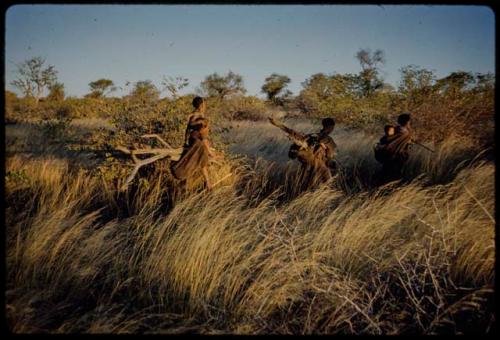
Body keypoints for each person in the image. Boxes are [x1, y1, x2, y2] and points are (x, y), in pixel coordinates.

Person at [272, 117, 337, 191]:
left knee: (303, 187)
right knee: (328, 187)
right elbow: (329, 156)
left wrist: (280, 125)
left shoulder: (312, 135)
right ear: (330, 127)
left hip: (306, 166)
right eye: (332, 128)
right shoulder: (328, 139)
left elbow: (294, 134)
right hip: (320, 166)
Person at [171, 96, 216, 190]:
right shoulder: (201, 117)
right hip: (198, 142)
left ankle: (190, 182)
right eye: (204, 104)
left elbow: (187, 130)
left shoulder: (191, 115)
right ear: (201, 105)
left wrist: (185, 141)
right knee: (202, 160)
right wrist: (210, 151)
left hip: (191, 140)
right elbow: (203, 136)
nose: (205, 105)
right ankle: (208, 184)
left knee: (194, 160)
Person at [379, 113, 413, 182]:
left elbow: (384, 139)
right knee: (394, 177)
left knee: (387, 176)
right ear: (407, 122)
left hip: (390, 156)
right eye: (409, 121)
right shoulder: (404, 131)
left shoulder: (397, 130)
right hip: (397, 157)